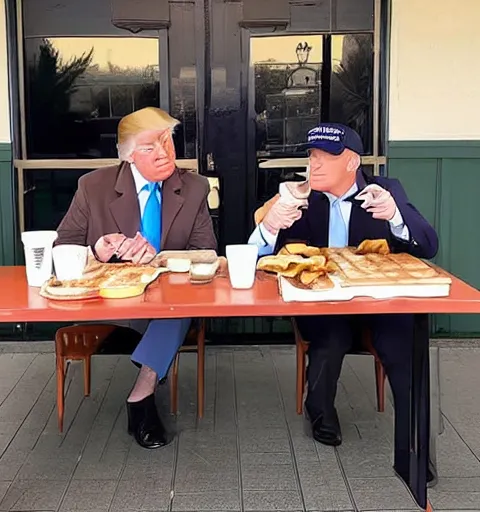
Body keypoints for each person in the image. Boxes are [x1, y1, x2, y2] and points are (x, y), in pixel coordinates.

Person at [249, 123, 438, 454]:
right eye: (311, 156)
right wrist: (269, 225)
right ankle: (320, 412)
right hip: (325, 304)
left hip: (377, 303)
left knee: (403, 337)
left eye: (326, 157)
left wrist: (395, 215)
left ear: (352, 162)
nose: (314, 164)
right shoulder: (302, 197)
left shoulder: (384, 190)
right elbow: (257, 257)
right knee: (330, 336)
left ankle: (416, 442)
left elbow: (428, 244)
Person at [56, 107, 217, 449]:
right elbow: (61, 249)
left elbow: (206, 254)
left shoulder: (194, 187)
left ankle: (141, 397)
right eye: (149, 147)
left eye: (167, 141)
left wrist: (159, 259)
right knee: (174, 310)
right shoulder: (93, 187)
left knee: (178, 307)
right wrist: (97, 251)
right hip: (111, 300)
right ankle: (149, 381)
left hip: (169, 302)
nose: (163, 152)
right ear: (128, 155)